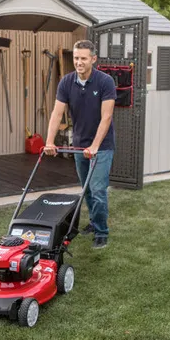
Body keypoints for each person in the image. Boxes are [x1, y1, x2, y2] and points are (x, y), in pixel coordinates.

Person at [44, 39, 116, 249]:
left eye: (83, 58)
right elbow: (57, 113)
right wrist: (49, 141)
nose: (79, 62)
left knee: (98, 189)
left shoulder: (105, 82)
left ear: (93, 59)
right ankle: (94, 222)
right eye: (76, 58)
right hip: (79, 145)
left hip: (101, 146)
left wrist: (94, 146)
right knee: (86, 190)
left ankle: (101, 232)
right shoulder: (66, 82)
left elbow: (107, 117)